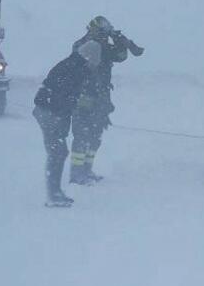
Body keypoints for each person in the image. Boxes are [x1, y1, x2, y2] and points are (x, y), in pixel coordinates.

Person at [68, 16, 144, 184]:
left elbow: (120, 56)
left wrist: (119, 41)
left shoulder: (104, 47)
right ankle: (76, 174)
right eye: (102, 31)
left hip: (101, 97)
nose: (104, 35)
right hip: (83, 96)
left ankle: (87, 170)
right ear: (93, 30)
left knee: (95, 136)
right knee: (81, 136)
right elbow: (80, 58)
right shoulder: (82, 45)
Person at [33, 41, 102, 207]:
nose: (94, 66)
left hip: (50, 110)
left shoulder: (73, 64)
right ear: (90, 58)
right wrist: (80, 104)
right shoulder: (75, 69)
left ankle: (55, 192)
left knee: (58, 151)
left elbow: (65, 96)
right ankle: (53, 195)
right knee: (57, 152)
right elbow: (63, 96)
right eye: (94, 62)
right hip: (48, 111)